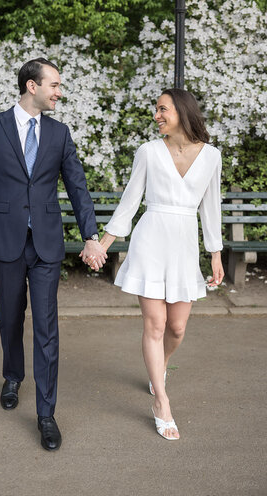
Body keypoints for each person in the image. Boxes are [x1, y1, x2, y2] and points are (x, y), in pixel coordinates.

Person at [0, 58, 107, 451]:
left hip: (46, 243)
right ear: (32, 86)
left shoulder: (60, 134)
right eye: (55, 85)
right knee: (9, 317)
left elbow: (77, 188)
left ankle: (46, 414)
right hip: (3, 241)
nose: (59, 92)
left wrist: (91, 235)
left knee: (46, 328)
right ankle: (12, 375)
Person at [94, 88, 224, 440]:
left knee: (177, 328)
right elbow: (129, 202)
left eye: (163, 109)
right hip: (150, 241)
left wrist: (215, 253)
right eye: (156, 110)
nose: (157, 116)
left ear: (182, 111)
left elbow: (211, 207)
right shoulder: (148, 152)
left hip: (183, 247)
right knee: (156, 324)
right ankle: (161, 402)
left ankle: (158, 370)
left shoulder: (211, 156)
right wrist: (103, 244)